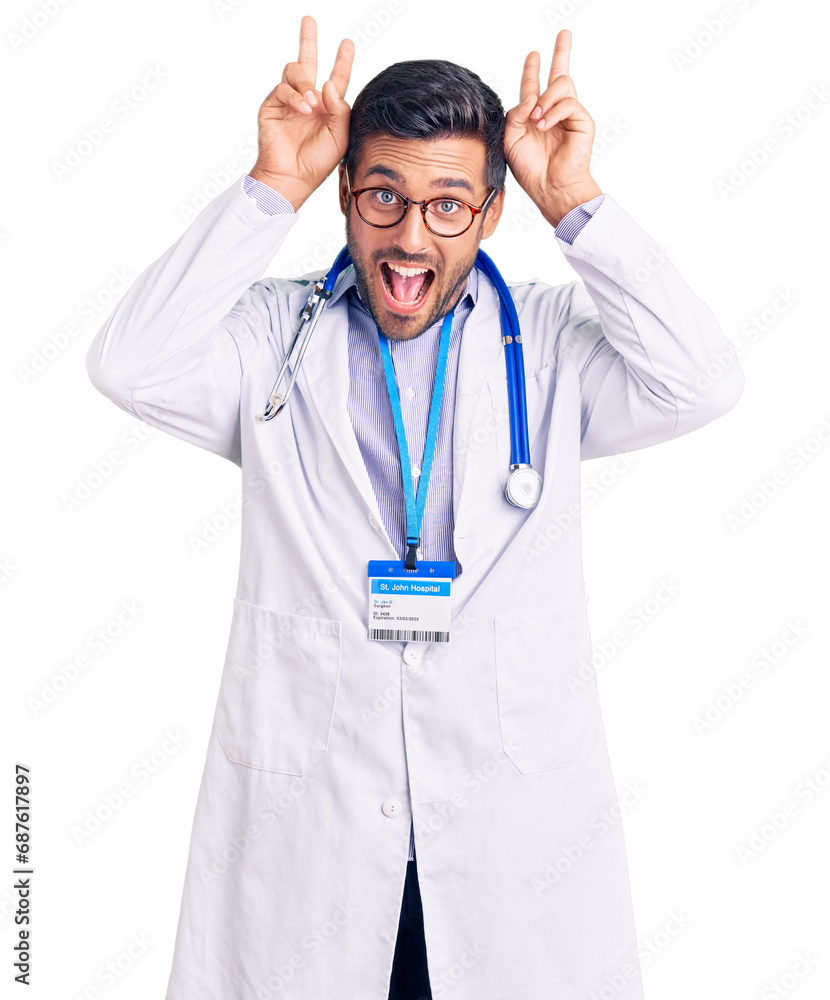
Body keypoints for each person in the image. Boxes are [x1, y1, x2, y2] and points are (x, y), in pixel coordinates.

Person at [85, 14, 744, 1000]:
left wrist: (575, 201)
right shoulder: (270, 338)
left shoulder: (551, 348)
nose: (407, 237)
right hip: (314, 841)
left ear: (489, 213)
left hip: (503, 843)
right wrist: (274, 187)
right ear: (345, 195)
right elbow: (126, 363)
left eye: (445, 205)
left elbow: (699, 382)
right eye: (382, 196)